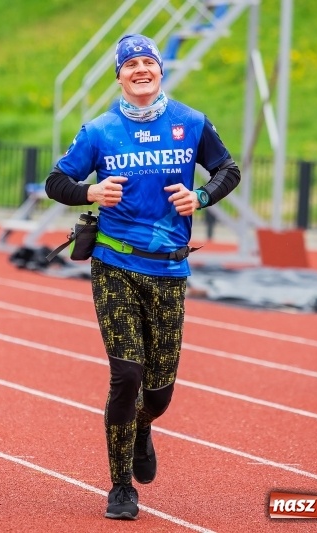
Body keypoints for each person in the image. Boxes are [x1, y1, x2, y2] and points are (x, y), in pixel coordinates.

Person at [45, 34, 240, 519]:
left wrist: (202, 197)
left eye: (147, 62)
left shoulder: (191, 123)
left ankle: (142, 428)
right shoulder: (100, 130)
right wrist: (91, 193)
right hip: (115, 264)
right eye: (129, 64)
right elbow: (56, 182)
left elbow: (227, 169)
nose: (139, 70)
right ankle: (120, 487)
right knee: (126, 374)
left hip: (171, 268)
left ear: (160, 71)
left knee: (159, 390)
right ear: (119, 76)